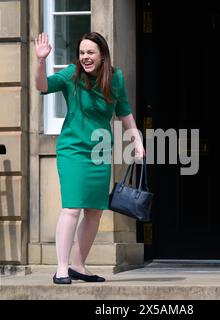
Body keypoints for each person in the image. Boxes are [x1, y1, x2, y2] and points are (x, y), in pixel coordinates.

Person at [35, 32, 145, 285]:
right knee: (72, 207)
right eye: (82, 52)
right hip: (73, 150)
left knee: (94, 212)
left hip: (100, 152)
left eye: (90, 52)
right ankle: (61, 269)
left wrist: (137, 140)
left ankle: (78, 265)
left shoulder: (114, 78)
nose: (85, 57)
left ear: (102, 55)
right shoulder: (71, 74)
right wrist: (40, 61)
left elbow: (124, 112)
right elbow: (42, 86)